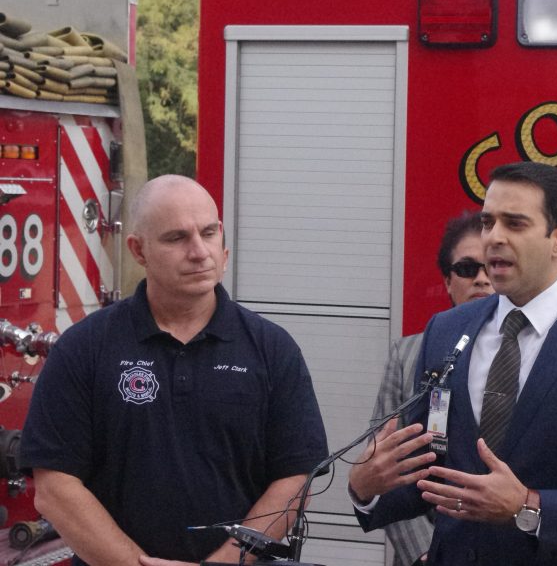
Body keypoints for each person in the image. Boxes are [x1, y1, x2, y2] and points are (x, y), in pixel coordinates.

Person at [349, 161, 557, 565]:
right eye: (488, 222)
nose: (494, 238)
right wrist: (367, 491)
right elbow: (430, 473)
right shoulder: (446, 330)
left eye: (515, 224)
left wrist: (528, 507)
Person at [20, 175, 329, 566]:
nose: (199, 251)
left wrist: (227, 561)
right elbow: (54, 486)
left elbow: (296, 478)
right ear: (138, 250)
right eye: (176, 238)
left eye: (209, 232)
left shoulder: (272, 349)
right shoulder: (85, 349)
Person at [371, 212, 493, 566]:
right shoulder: (406, 355)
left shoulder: (532, 357)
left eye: (490, 268)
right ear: (447, 281)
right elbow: (387, 463)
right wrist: (427, 552)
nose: (481, 280)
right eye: (467, 269)